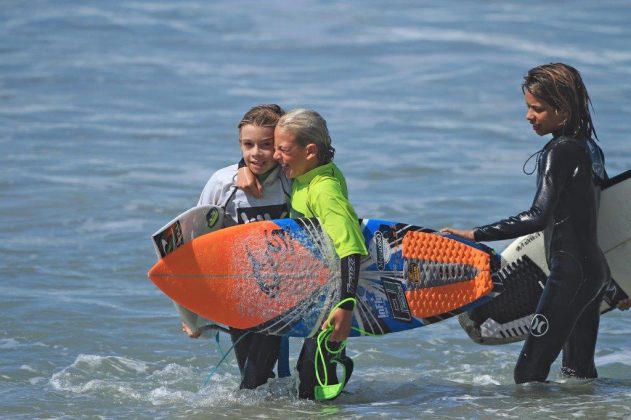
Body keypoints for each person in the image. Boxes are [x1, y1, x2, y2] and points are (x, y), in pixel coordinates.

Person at [442, 63, 614, 383]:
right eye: (528, 107)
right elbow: (602, 220)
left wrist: (474, 233)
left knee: (529, 371)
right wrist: (617, 285)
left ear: (562, 109)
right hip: (595, 274)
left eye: (537, 109)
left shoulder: (559, 151)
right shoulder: (592, 149)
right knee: (578, 373)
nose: (528, 116)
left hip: (570, 273)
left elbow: (538, 217)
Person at [240, 108, 368, 399]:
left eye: (282, 150)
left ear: (309, 150)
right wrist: (242, 166)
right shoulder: (305, 170)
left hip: (329, 300)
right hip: (298, 289)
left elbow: (351, 247)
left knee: (313, 386)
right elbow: (266, 123)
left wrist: (345, 307)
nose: (275, 157)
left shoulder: (324, 190)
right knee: (255, 377)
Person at [181, 104, 291, 390]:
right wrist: (191, 312)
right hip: (238, 290)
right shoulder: (223, 182)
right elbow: (196, 242)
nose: (256, 153)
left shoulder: (291, 180)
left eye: (266, 145)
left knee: (255, 381)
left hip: (283, 291)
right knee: (254, 380)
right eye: (248, 144)